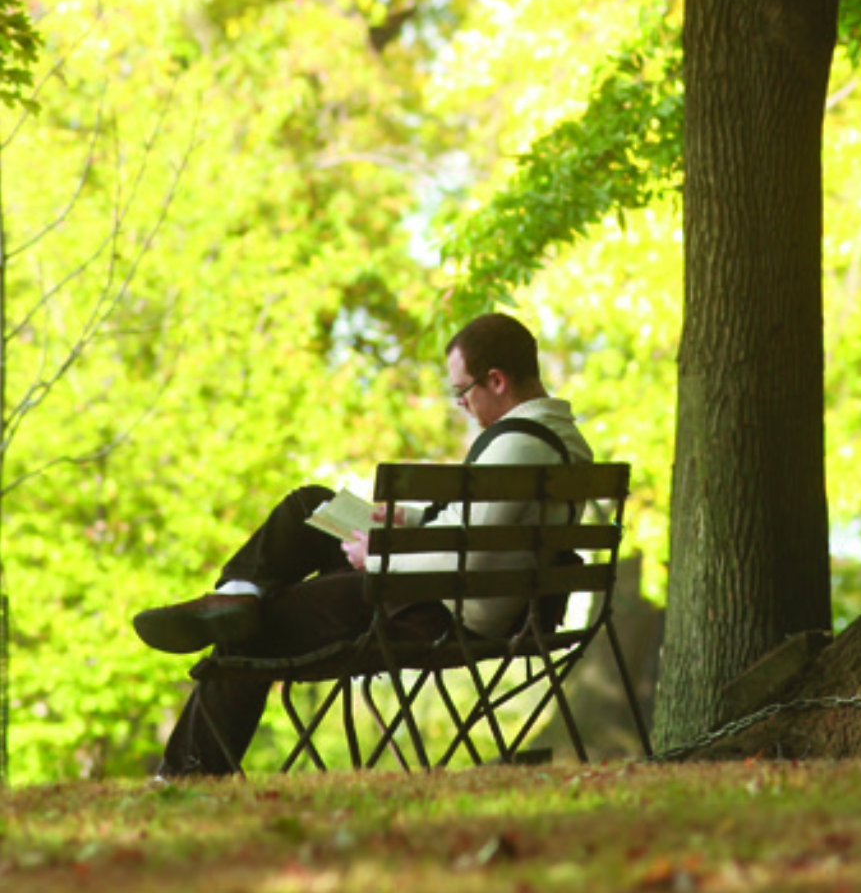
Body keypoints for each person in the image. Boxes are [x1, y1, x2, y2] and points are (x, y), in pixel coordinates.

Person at [134, 311, 592, 777]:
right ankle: (236, 594)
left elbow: (469, 554)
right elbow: (482, 527)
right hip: (450, 591)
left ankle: (186, 773)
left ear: (496, 380)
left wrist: (381, 558)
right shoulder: (558, 438)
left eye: (462, 391)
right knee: (310, 505)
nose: (461, 405)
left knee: (251, 632)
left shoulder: (516, 446)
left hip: (438, 608)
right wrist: (407, 518)